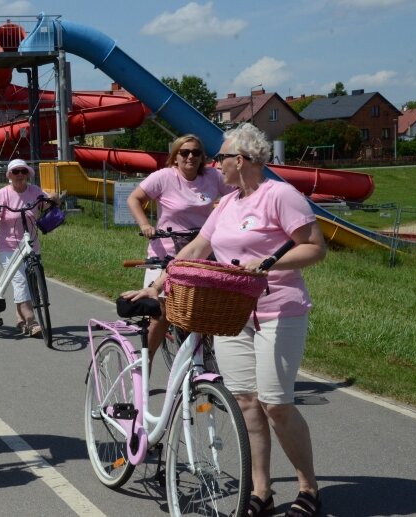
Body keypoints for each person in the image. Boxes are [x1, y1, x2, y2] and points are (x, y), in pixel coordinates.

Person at [128, 123, 326, 517]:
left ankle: (308, 489)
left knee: (276, 405)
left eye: (220, 158)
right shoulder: (228, 203)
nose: (213, 164)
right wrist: (159, 285)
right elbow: (198, 247)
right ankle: (261, 492)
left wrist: (268, 263)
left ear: (241, 160)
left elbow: (315, 249)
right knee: (246, 402)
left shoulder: (280, 195)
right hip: (233, 313)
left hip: (277, 310)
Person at [127, 135, 234, 365]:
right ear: (175, 157)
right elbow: (135, 199)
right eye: (184, 152)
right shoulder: (164, 177)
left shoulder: (213, 177)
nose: (190, 157)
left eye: (196, 152)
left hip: (200, 251)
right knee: (162, 313)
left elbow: (235, 196)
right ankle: (146, 362)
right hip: (166, 252)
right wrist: (146, 225)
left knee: (208, 311)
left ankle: (208, 362)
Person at [0, 158, 51, 337]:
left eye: (23, 171)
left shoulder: (34, 191)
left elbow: (47, 204)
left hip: (30, 244)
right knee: (20, 280)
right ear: (9, 175)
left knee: (31, 281)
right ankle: (31, 320)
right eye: (16, 172)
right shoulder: (3, 194)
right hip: (8, 246)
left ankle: (20, 318)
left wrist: (54, 198)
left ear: (28, 173)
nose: (20, 175)